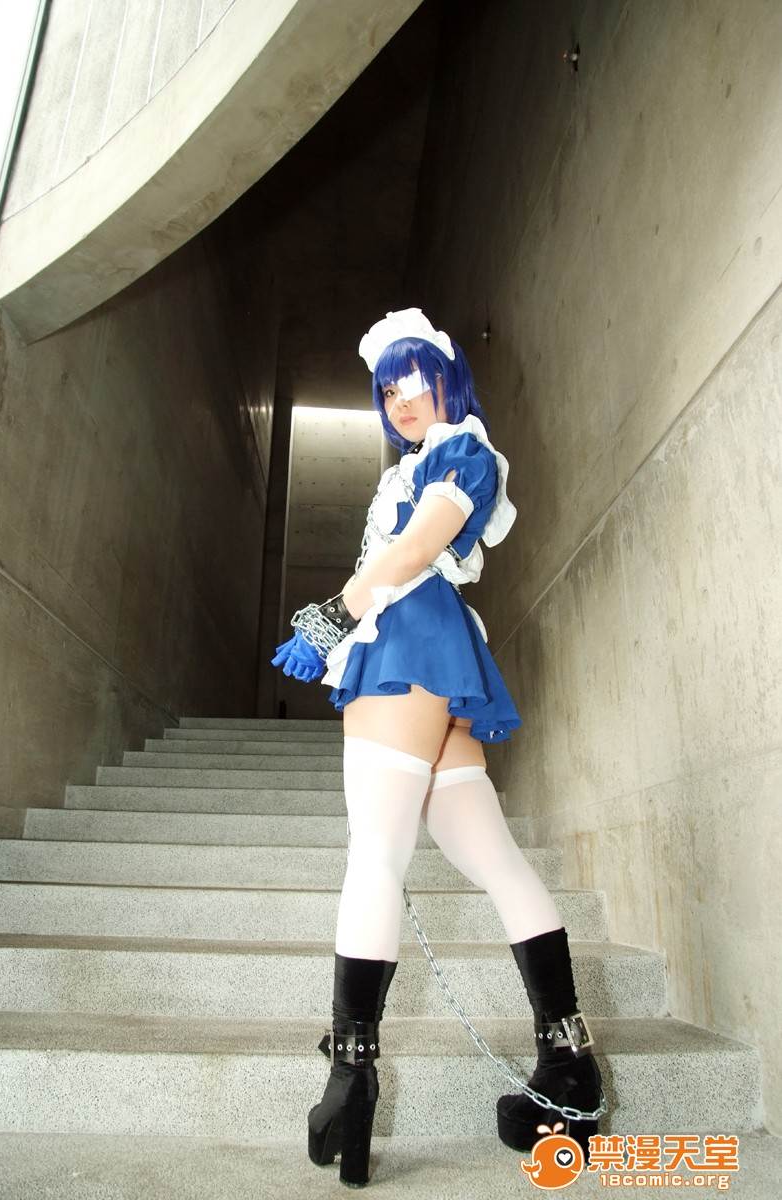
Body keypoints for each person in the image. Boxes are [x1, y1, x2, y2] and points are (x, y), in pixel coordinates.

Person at [271, 308, 603, 1188]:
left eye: (413, 379)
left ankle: (350, 1080)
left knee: (376, 856)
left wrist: (331, 615)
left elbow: (421, 545)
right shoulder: (422, 460)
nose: (399, 399)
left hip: (408, 641)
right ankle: (568, 1064)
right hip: (435, 648)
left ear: (447, 378)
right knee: (493, 858)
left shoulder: (463, 450)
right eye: (386, 389)